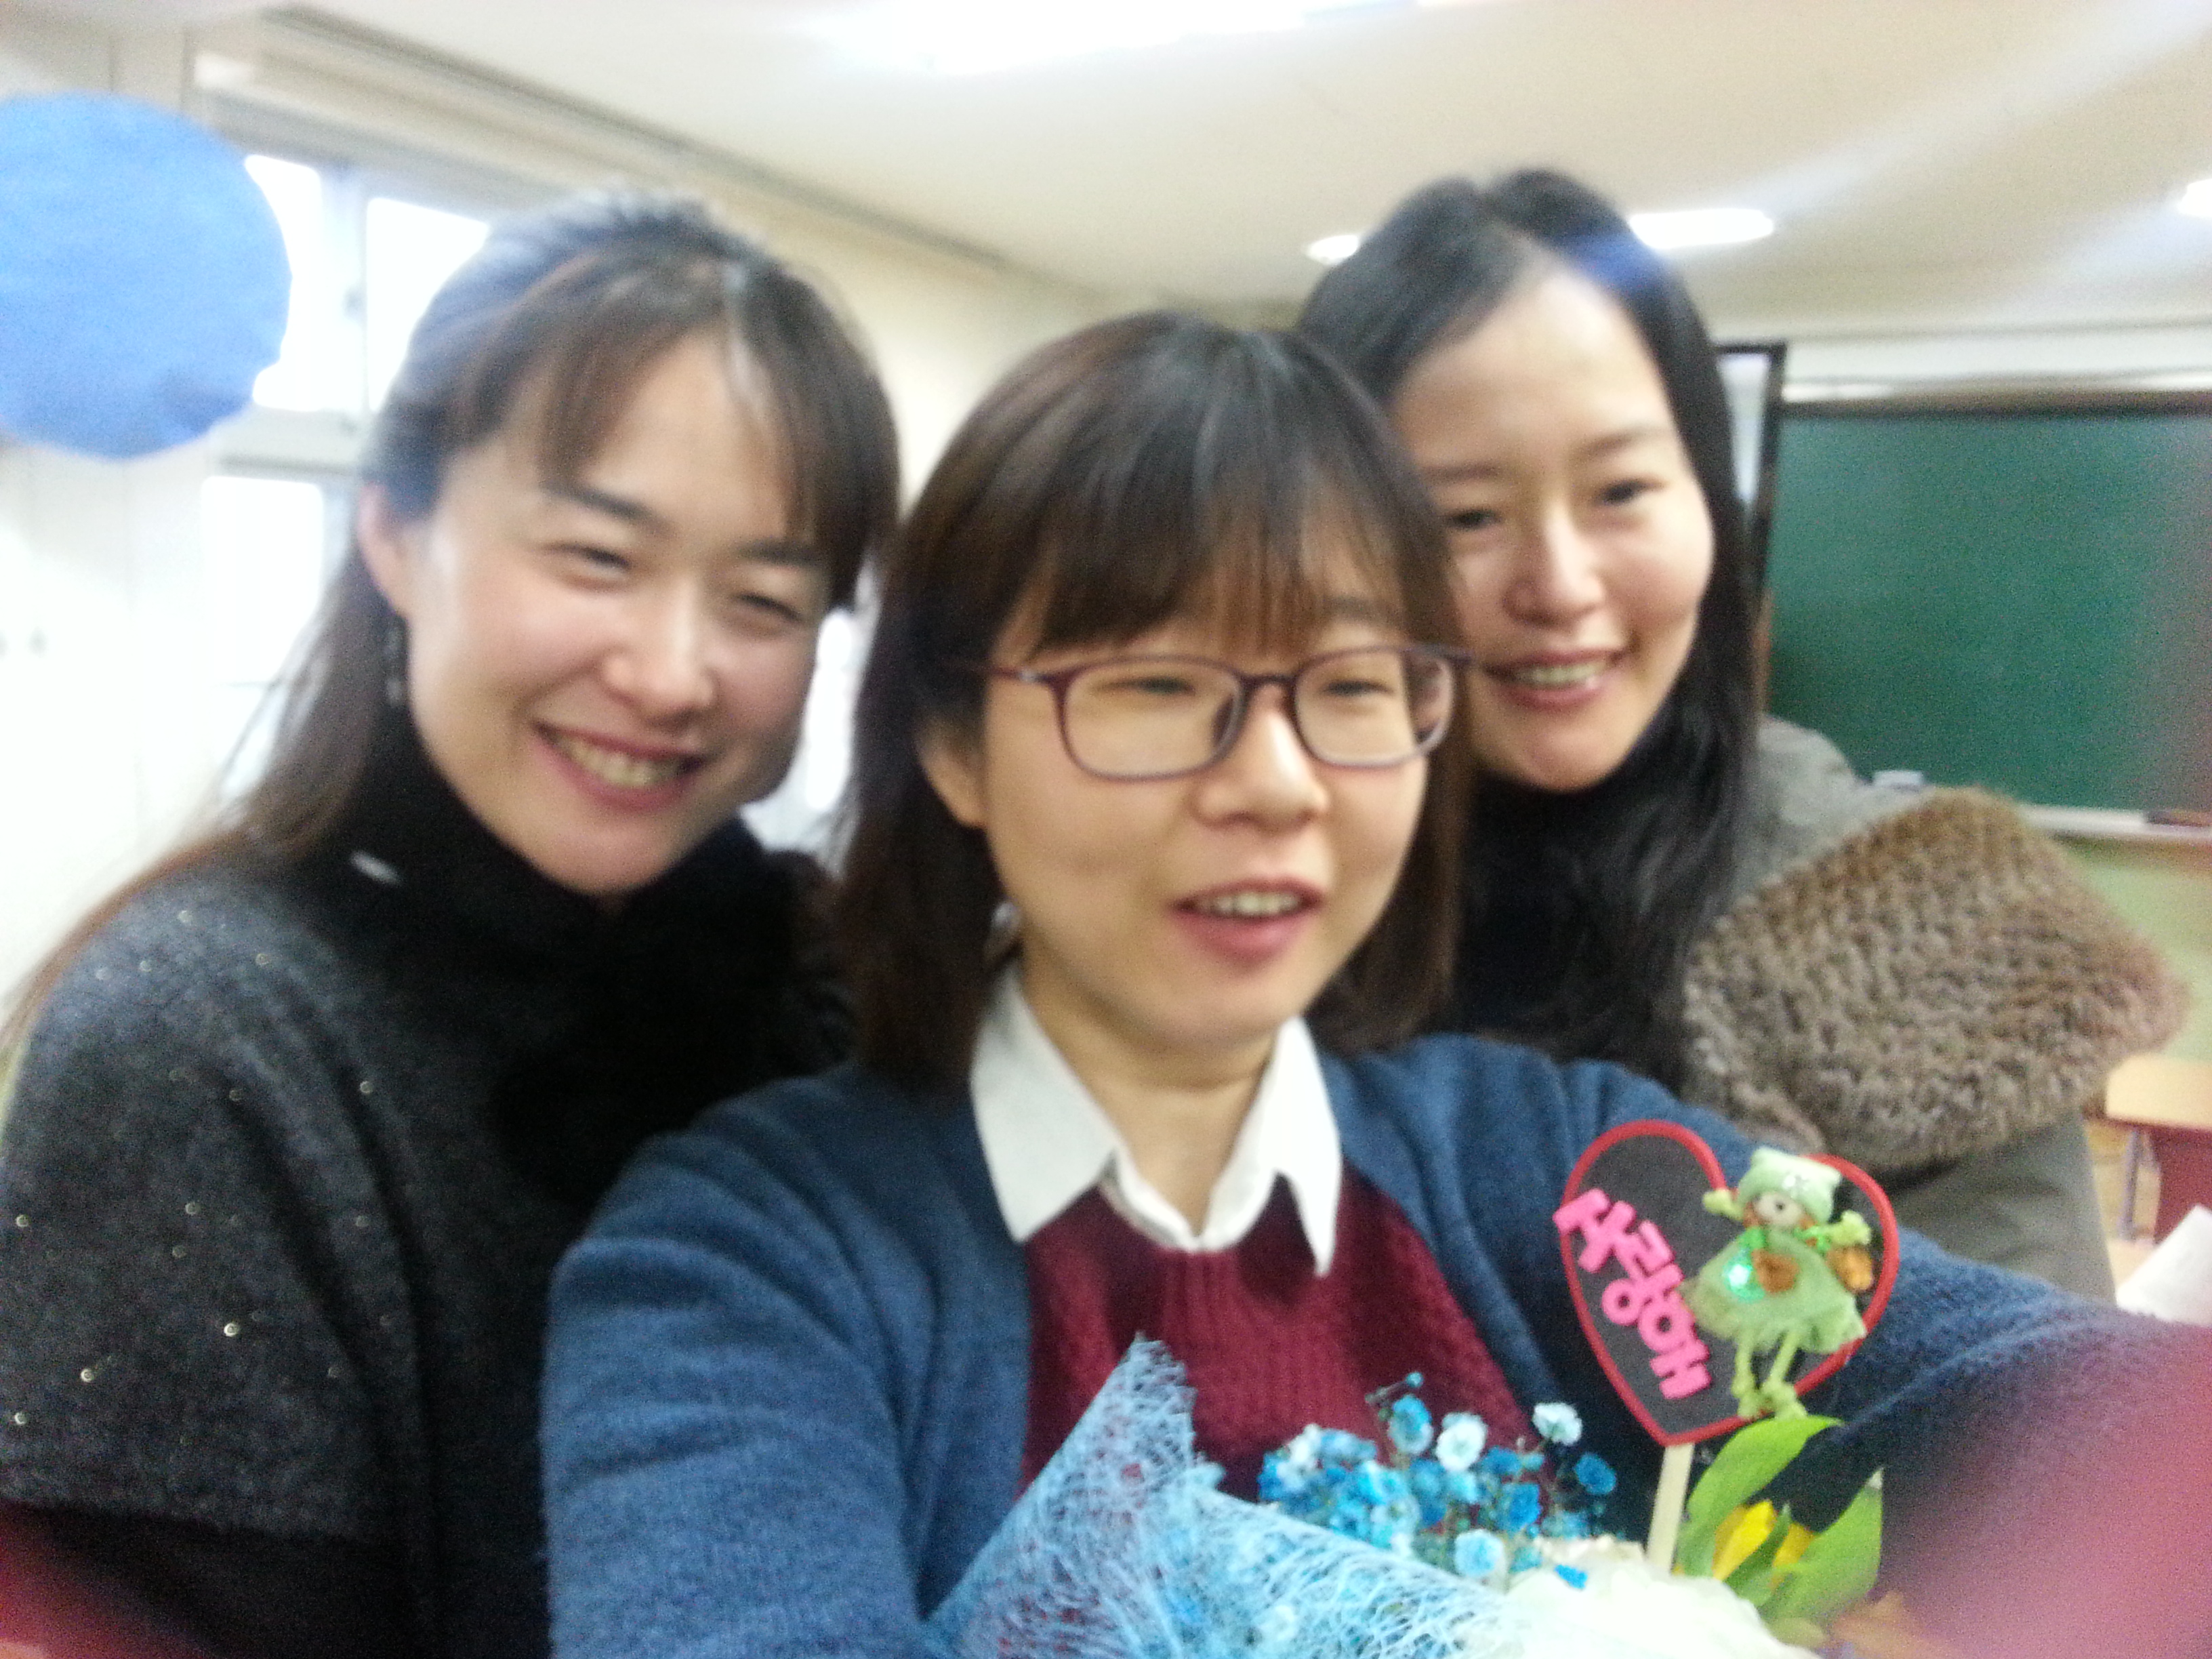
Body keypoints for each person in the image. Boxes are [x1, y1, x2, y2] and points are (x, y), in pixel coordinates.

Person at [541, 313, 2212, 1659]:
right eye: (1156, 683)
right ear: (952, 740)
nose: (1276, 782)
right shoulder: (745, 1265)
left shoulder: (1557, 1168)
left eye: (1353, 684)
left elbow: (2077, 1412)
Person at [0, 192, 898, 1659]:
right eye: (597, 558)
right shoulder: (208, 1039)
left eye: (762, 599)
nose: (672, 673)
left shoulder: (830, 988)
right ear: (395, 535)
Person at [1296, 171, 2186, 1299]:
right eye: (1465, 516)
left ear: (1708, 501)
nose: (1560, 586)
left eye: (1621, 490)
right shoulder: (1256, 872)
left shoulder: (1913, 928)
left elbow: (2022, 1388)